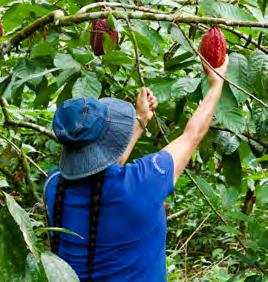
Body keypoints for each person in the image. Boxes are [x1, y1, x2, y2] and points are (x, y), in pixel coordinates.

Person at [43, 56, 229, 282]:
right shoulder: (143, 183)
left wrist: (141, 120)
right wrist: (216, 83)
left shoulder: (53, 186)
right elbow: (193, 135)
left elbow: (100, 169)